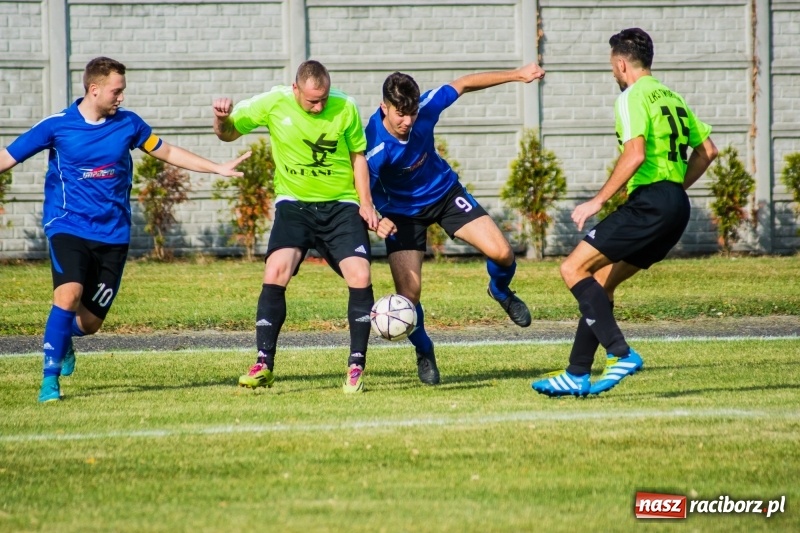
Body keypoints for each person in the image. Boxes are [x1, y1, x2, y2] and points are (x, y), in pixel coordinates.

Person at [0, 57, 251, 403]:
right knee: (68, 295)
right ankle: (49, 379)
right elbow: (6, 158)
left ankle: (65, 338)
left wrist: (216, 168)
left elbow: (169, 151)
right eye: (117, 91)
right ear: (94, 89)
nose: (121, 97)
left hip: (113, 234)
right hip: (67, 225)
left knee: (89, 323)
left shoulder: (129, 124)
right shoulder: (56, 126)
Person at [532, 28, 718, 397]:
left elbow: (634, 154)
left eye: (612, 69)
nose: (614, 75)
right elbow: (708, 152)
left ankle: (620, 353)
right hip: (676, 207)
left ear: (621, 64)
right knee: (601, 282)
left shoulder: (632, 96)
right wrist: (674, 190)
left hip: (650, 203)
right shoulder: (673, 97)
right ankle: (577, 372)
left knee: (572, 268)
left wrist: (597, 200)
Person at [366, 63, 546, 385]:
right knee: (409, 298)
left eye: (413, 112)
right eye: (400, 115)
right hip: (403, 214)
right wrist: (376, 220)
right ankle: (424, 351)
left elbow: (463, 84)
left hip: (446, 194)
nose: (408, 121)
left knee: (503, 253)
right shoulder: (373, 146)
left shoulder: (424, 111)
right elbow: (358, 192)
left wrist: (517, 75)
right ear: (385, 107)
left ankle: (500, 290)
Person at [212, 60, 378, 394]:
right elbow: (228, 134)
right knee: (275, 270)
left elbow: (358, 156)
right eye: (311, 101)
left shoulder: (345, 107)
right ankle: (263, 364)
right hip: (294, 205)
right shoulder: (273, 102)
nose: (319, 106)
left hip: (341, 205)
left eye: (323, 99)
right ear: (295, 89)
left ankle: (356, 366)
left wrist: (366, 202)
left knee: (360, 274)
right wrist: (221, 117)